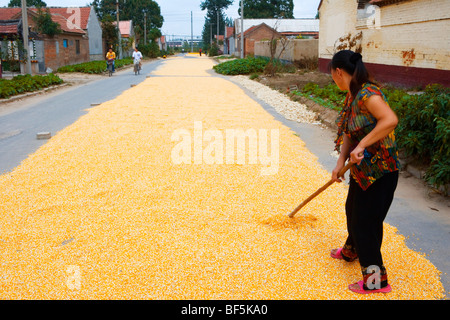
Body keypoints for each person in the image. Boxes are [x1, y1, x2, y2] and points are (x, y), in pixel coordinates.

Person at [328, 50, 400, 294]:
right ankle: (352, 249)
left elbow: (390, 120)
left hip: (381, 170)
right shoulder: (352, 95)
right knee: (353, 211)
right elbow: (349, 130)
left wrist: (362, 145)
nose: (333, 80)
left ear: (339, 71)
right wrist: (340, 162)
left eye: (332, 75)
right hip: (362, 170)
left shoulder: (368, 94)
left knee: (366, 223)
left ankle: (375, 281)